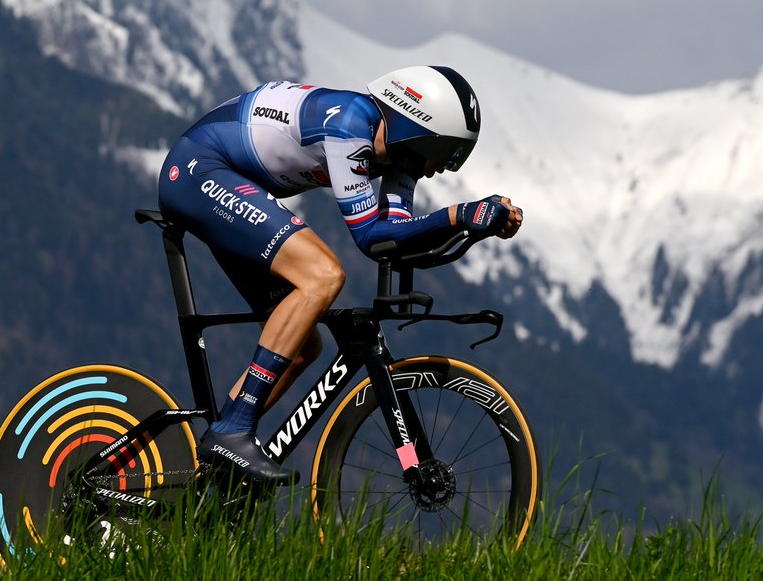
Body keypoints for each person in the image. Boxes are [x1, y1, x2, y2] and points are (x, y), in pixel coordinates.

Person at [157, 66, 523, 484]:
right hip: (197, 169)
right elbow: (369, 237)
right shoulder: (350, 122)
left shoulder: (398, 160)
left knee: (301, 348)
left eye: (457, 157)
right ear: (417, 127)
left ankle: (212, 473)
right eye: (445, 152)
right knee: (323, 276)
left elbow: (394, 238)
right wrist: (458, 214)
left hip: (230, 180)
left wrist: (476, 223)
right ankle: (233, 429)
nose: (444, 168)